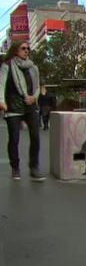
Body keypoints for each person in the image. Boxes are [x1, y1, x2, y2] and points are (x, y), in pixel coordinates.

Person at [0, 41, 45, 181]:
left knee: (35, 136)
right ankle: (15, 167)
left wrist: (34, 97)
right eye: (23, 48)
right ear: (15, 50)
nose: (26, 51)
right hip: (13, 106)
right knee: (14, 139)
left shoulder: (33, 67)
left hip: (30, 105)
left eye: (28, 49)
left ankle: (34, 167)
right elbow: (1, 84)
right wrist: (1, 100)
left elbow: (38, 86)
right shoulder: (7, 65)